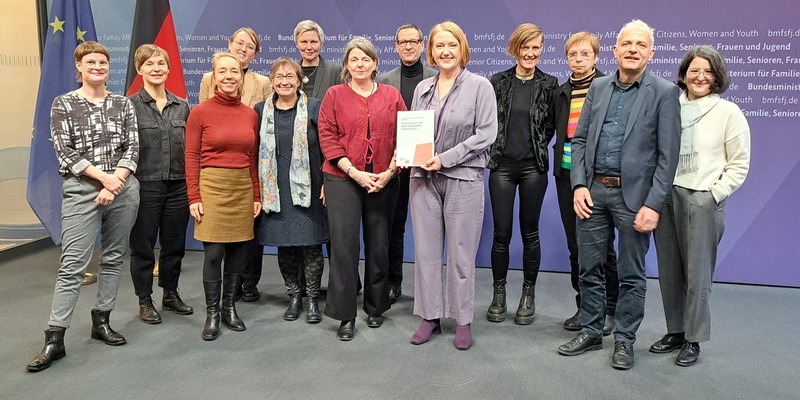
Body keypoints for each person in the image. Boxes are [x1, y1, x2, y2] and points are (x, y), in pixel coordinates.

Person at [556, 19, 680, 370]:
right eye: (627, 43)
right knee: (589, 267)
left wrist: (654, 204)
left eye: (641, 45)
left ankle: (624, 339)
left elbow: (667, 157)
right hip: (593, 192)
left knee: (630, 274)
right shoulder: (597, 87)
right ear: (615, 50)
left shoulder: (665, 92)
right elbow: (578, 140)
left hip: (635, 199)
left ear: (651, 52)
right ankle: (593, 330)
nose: (633, 49)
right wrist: (579, 184)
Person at [28, 41, 140, 372]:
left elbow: (132, 146)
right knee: (72, 265)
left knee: (114, 257)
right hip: (81, 190)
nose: (97, 67)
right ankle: (54, 338)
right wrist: (103, 181)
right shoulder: (63, 104)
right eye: (90, 62)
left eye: (103, 62)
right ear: (79, 67)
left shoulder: (122, 104)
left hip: (123, 188)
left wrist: (115, 181)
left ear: (109, 67)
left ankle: (101, 321)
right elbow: (66, 153)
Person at [651, 45, 750, 367]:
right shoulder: (669, 106)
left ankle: (693, 339)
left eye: (708, 71)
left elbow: (739, 163)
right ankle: (676, 331)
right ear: (683, 74)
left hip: (702, 199)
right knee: (669, 272)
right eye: (694, 70)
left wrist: (714, 194)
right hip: (667, 197)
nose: (700, 76)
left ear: (717, 76)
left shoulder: (728, 112)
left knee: (698, 276)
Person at [408, 21, 498, 350]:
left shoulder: (480, 86)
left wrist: (445, 158)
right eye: (439, 46)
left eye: (452, 45)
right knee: (427, 253)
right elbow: (414, 132)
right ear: (430, 51)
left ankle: (462, 320)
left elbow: (486, 134)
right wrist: (412, 155)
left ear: (462, 49)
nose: (445, 52)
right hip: (423, 179)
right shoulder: (422, 89)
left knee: (460, 255)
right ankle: (430, 317)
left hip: (463, 178)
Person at [318, 37, 405, 341]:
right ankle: (345, 314)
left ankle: (376, 306)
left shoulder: (392, 95)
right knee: (344, 248)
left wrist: (390, 172)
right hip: (343, 179)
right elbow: (327, 138)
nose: (359, 65)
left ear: (375, 64)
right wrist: (354, 172)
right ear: (346, 65)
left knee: (379, 244)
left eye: (365, 59)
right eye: (353, 60)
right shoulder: (334, 94)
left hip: (383, 179)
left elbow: (405, 137)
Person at [185, 52, 261, 341]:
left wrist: (255, 193)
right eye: (223, 71)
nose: (229, 76)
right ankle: (212, 313)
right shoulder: (200, 112)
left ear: (241, 75)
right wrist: (194, 195)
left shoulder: (250, 114)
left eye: (234, 71)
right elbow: (191, 156)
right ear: (213, 77)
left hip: (241, 186)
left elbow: (252, 158)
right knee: (214, 253)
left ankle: (229, 308)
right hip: (211, 186)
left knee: (239, 253)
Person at [486, 23, 556, 325]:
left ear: (541, 49)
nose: (530, 53)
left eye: (535, 48)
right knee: (501, 234)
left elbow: (551, 125)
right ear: (515, 49)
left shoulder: (550, 84)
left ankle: (528, 295)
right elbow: (488, 122)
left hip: (533, 168)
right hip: (502, 166)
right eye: (524, 47)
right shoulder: (498, 81)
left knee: (530, 232)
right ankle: (498, 294)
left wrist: (537, 145)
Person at [552, 32, 619, 335]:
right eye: (572, 55)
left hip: (597, 176)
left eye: (584, 54)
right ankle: (585, 306)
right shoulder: (560, 91)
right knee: (576, 246)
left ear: (596, 57)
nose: (578, 60)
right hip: (567, 176)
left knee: (602, 247)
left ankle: (609, 308)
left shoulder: (609, 87)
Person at [199, 27, 271, 302]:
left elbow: (260, 130)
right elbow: (204, 126)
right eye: (239, 43)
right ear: (229, 44)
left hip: (246, 166)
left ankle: (246, 285)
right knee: (215, 250)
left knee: (247, 239)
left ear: (255, 53)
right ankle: (217, 306)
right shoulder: (208, 82)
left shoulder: (262, 83)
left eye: (250, 46)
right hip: (215, 173)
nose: (243, 49)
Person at [255, 57, 329, 324]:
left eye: (290, 77)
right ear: (272, 81)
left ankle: (311, 300)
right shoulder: (259, 110)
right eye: (279, 77)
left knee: (310, 246)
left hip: (309, 189)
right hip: (275, 190)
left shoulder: (315, 108)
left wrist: (327, 185)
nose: (284, 82)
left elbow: (327, 148)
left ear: (300, 81)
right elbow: (254, 154)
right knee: (285, 247)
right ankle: (294, 297)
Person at [127, 44, 192, 325]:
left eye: (161, 64)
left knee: (174, 245)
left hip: (178, 185)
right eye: (150, 64)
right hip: (145, 185)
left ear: (168, 68)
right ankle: (144, 299)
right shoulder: (128, 105)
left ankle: (170, 293)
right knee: (142, 246)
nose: (156, 69)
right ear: (139, 69)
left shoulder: (182, 106)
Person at [376, 23, 437, 304]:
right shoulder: (385, 80)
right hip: (396, 165)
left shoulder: (437, 78)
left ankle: (431, 288)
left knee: (431, 229)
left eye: (414, 41)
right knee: (394, 227)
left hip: (431, 164)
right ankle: (393, 282)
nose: (409, 46)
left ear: (422, 44)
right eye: (404, 42)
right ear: (396, 46)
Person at [294, 20, 342, 99]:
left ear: (321, 44)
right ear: (297, 44)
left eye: (313, 42)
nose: (309, 47)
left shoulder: (334, 70)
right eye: (304, 42)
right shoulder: (292, 71)